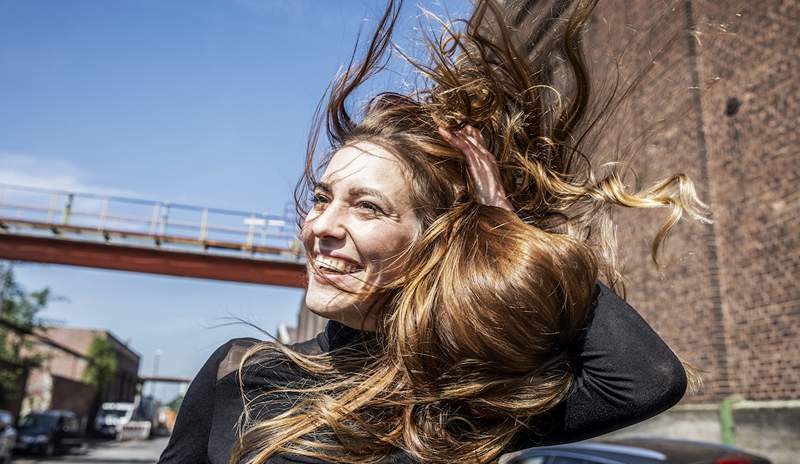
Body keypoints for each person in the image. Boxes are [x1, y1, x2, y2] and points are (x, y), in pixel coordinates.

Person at [159, 1, 709, 463]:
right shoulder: (240, 371)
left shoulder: (459, 398)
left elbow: (648, 379)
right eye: (323, 198)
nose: (323, 226)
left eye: (368, 207)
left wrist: (509, 233)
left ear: (431, 241)